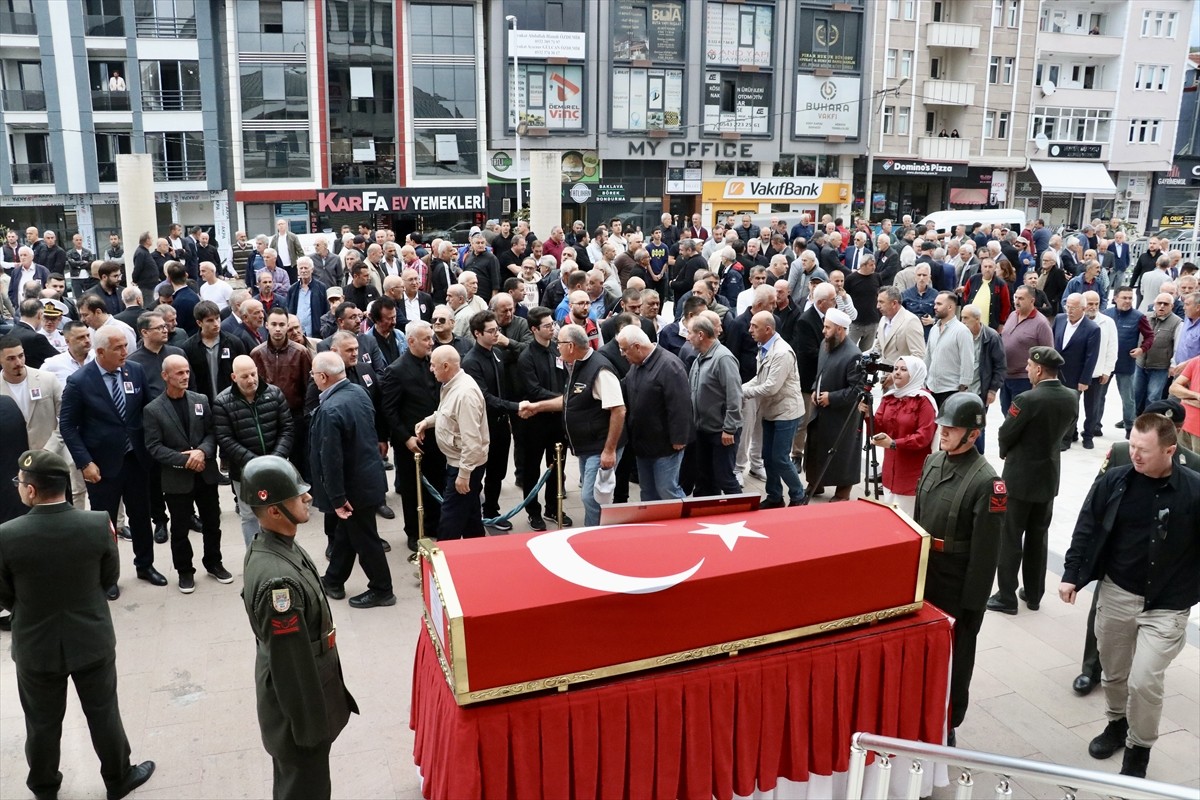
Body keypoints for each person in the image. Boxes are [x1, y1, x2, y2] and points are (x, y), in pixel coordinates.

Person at [0, 449, 156, 800]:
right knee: (104, 713)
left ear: (30, 491)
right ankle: (118, 777)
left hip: (35, 646)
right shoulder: (97, 522)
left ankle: (43, 787)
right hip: (91, 639)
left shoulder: (6, 535)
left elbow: (4, 594)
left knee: (40, 723)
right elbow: (108, 577)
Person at [1060, 413, 1200, 779]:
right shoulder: (1114, 481)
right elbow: (1086, 524)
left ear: (1170, 450)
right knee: (1114, 673)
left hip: (1166, 606)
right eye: (1132, 446)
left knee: (1144, 680)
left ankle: (1139, 750)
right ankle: (1116, 724)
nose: (1134, 455)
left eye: (1144, 450)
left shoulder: (1195, 491)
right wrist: (1072, 574)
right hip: (1118, 593)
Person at [239, 456, 357, 800]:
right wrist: (309, 730)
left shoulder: (277, 545)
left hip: (303, 696)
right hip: (300, 712)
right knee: (306, 788)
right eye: (297, 495)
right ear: (274, 510)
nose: (307, 498)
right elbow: (290, 663)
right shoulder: (279, 583)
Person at [1071, 397, 1199, 698]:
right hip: (1117, 557)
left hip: (1163, 575)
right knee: (1101, 613)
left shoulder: (1192, 466)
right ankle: (1091, 669)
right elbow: (1094, 503)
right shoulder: (1118, 453)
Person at [914, 393, 1004, 746]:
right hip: (926, 573)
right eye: (942, 426)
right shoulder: (933, 461)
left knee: (956, 656)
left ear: (973, 434)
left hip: (957, 581)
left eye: (951, 429)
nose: (944, 433)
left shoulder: (988, 482)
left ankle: (949, 720)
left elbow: (987, 551)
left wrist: (972, 607)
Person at [59, 326, 162, 600]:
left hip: (136, 460)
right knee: (105, 525)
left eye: (125, 346)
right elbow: (67, 426)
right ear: (100, 351)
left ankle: (145, 565)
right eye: (118, 348)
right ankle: (108, 576)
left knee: (141, 516)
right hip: (101, 466)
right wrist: (85, 462)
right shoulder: (79, 381)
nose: (125, 352)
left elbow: (148, 411)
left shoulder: (135, 371)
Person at [987, 346, 1078, 616]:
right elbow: (1066, 434)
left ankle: (1006, 596)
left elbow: (1006, 434)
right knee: (1039, 536)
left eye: (1028, 366)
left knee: (1011, 536)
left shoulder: (1027, 399)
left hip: (1020, 477)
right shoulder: (1072, 396)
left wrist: (1006, 453)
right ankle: (1034, 593)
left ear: (1039, 369)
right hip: (1048, 476)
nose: (1026, 369)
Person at [308, 352, 394, 608]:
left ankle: (382, 589)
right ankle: (333, 579)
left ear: (323, 377)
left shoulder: (330, 409)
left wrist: (337, 498)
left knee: (365, 540)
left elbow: (331, 459)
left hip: (353, 487)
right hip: (368, 478)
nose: (312, 379)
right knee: (346, 534)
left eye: (313, 375)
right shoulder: (357, 392)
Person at [143, 355, 230, 593]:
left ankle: (214, 563)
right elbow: (154, 447)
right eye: (179, 373)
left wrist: (202, 452)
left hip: (205, 474)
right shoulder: (153, 409)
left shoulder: (200, 400)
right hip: (177, 479)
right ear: (165, 376)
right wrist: (186, 460)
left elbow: (213, 432)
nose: (185, 377)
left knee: (213, 523)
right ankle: (184, 571)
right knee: (180, 529)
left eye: (187, 372)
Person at [213, 355, 294, 547]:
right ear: (234, 377)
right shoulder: (222, 402)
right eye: (244, 376)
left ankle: (284, 553)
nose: (251, 380)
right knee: (249, 516)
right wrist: (256, 464)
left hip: (276, 468)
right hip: (244, 472)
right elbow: (225, 439)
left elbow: (287, 428)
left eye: (253, 374)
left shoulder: (274, 394)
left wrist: (275, 460)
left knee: (280, 511)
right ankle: (255, 556)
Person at [416, 346, 489, 540]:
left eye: (433, 365)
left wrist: (464, 474)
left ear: (446, 366)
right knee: (471, 517)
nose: (431, 369)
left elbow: (472, 440)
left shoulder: (464, 393)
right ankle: (478, 555)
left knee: (450, 521)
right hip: (460, 463)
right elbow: (448, 414)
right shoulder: (452, 385)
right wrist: (428, 422)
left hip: (463, 466)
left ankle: (442, 564)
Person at [618, 325, 693, 501]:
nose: (622, 354)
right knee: (648, 491)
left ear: (637, 346)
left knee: (667, 489)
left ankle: (686, 522)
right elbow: (626, 386)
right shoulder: (637, 365)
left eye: (624, 350)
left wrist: (679, 438)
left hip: (666, 445)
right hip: (644, 444)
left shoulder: (670, 366)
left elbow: (680, 405)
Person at [514, 308, 571, 530]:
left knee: (556, 466)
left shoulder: (557, 350)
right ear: (534, 329)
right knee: (532, 469)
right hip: (534, 423)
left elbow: (566, 377)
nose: (552, 329)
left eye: (552, 325)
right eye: (547, 326)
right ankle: (533, 510)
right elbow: (533, 390)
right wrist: (562, 398)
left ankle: (552, 507)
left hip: (557, 421)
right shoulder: (526, 357)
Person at [862, 356, 937, 516]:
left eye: (904, 369)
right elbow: (879, 429)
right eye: (896, 369)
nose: (897, 373)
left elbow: (924, 436)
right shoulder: (889, 398)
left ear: (915, 374)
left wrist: (895, 443)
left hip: (912, 474)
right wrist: (868, 416)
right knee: (890, 518)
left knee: (908, 520)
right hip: (890, 471)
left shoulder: (924, 401)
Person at [806, 307, 863, 501]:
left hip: (842, 415)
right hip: (820, 409)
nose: (823, 331)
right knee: (815, 446)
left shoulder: (854, 354)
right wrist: (815, 388)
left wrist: (832, 398)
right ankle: (816, 482)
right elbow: (820, 372)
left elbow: (856, 390)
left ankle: (842, 492)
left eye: (828, 327)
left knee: (842, 453)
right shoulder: (826, 343)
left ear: (840, 329)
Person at [686, 313, 743, 496]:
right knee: (704, 478)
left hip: (722, 432)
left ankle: (746, 516)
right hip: (703, 430)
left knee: (724, 478)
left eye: (690, 333)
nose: (687, 337)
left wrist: (729, 428)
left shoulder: (723, 358)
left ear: (701, 335)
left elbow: (735, 396)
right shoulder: (699, 358)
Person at [1053, 293, 1102, 450]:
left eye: (1073, 308)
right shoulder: (1060, 320)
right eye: (1067, 306)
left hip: (1076, 375)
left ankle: (1065, 440)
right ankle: (1069, 433)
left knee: (1070, 408)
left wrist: (1085, 380)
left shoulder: (1092, 329)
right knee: (1056, 406)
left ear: (1083, 308)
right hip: (1056, 373)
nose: (1069, 311)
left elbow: (1091, 357)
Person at [924, 291, 975, 406]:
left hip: (951, 390)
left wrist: (963, 387)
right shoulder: (934, 329)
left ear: (950, 307)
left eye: (939, 304)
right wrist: (923, 380)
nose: (935, 307)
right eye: (935, 304)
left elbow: (967, 360)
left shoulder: (962, 331)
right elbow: (928, 357)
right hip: (931, 388)